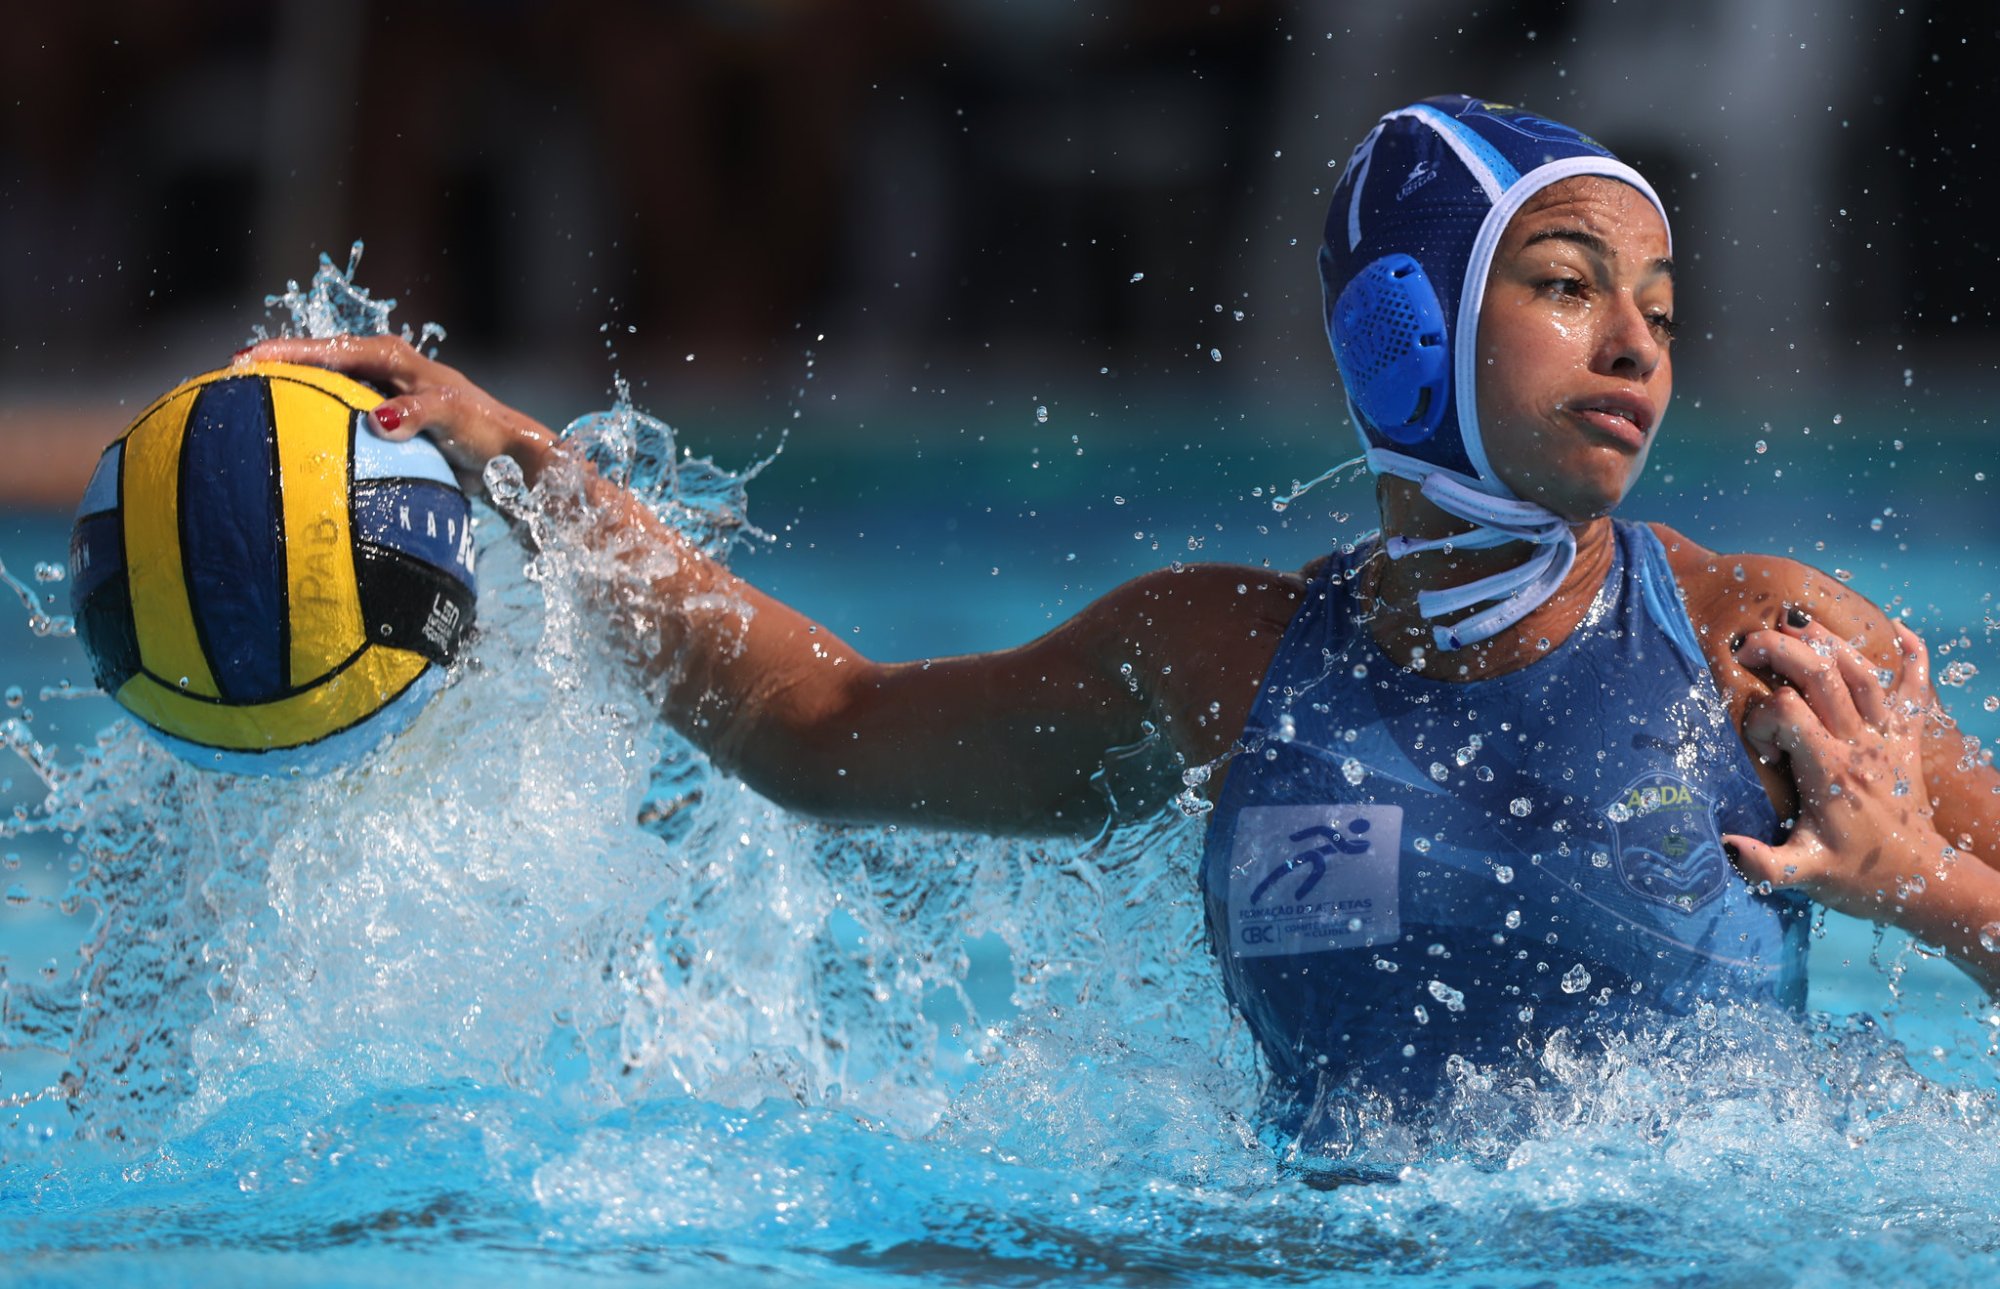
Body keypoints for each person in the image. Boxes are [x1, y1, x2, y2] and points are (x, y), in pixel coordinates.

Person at [243, 96, 2000, 1129]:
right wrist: (517, 465)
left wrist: (1908, 881)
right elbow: (818, 728)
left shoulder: (1757, 642)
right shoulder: (1222, 662)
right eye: (1564, 286)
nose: (1636, 346)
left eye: (1660, 307)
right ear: (1404, 326)